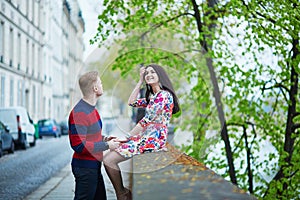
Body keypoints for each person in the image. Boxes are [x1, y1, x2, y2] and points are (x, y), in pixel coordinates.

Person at [103, 64, 180, 200]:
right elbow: (131, 102)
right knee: (108, 157)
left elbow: (147, 121)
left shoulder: (164, 96)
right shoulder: (153, 97)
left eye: (153, 72)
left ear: (160, 75)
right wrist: (139, 81)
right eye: (147, 73)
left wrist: (126, 137)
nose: (149, 75)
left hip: (153, 141)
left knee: (109, 160)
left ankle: (122, 194)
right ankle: (123, 192)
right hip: (145, 138)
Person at [68, 71, 120, 200]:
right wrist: (107, 145)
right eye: (100, 83)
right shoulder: (80, 112)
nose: (102, 85)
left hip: (94, 166)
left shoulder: (92, 109)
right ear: (95, 88)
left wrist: (105, 139)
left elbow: (91, 135)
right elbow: (79, 145)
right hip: (85, 168)